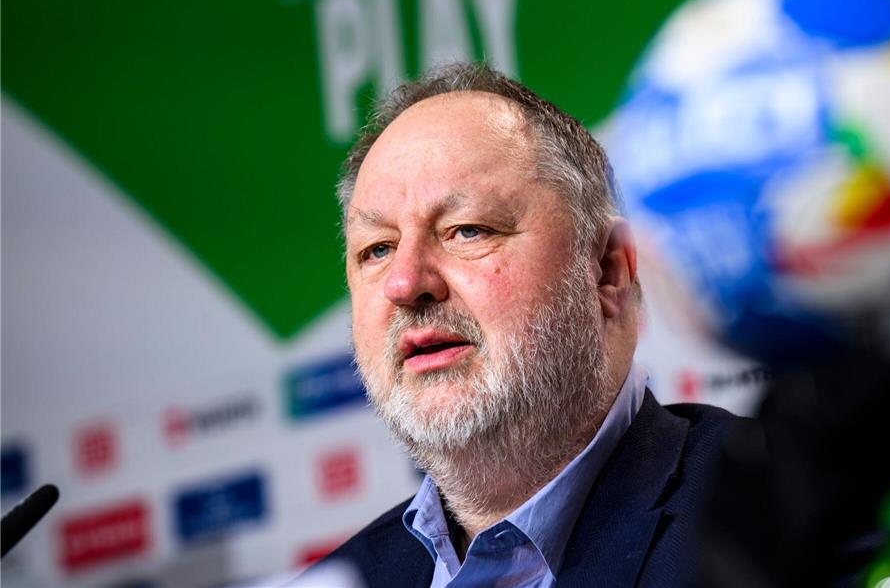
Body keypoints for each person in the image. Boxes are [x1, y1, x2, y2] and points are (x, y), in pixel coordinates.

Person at [304, 62, 741, 588]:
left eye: (466, 231)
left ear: (606, 269)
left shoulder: (778, 522)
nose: (405, 283)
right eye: (377, 249)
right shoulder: (343, 579)